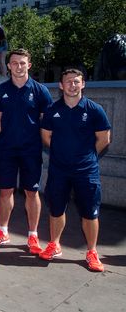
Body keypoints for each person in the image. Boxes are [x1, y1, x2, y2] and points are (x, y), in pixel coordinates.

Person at [38, 69, 111, 272]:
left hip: (86, 171)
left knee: (90, 212)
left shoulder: (95, 110)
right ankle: (54, 244)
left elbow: (104, 139)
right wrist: (62, 154)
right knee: (56, 209)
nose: (72, 85)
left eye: (76, 81)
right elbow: (46, 137)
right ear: (61, 86)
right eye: (68, 82)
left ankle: (92, 252)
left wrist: (86, 156)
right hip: (59, 170)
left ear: (83, 84)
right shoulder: (52, 110)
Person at [0, 48, 52, 254]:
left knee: (31, 192)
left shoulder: (40, 91)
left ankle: (33, 235)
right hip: (7, 149)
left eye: (22, 63)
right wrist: (8, 136)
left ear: (29, 65)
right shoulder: (1, 90)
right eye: (14, 63)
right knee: (5, 191)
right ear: (8, 66)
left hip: (31, 150)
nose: (18, 66)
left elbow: (46, 120)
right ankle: (3, 230)